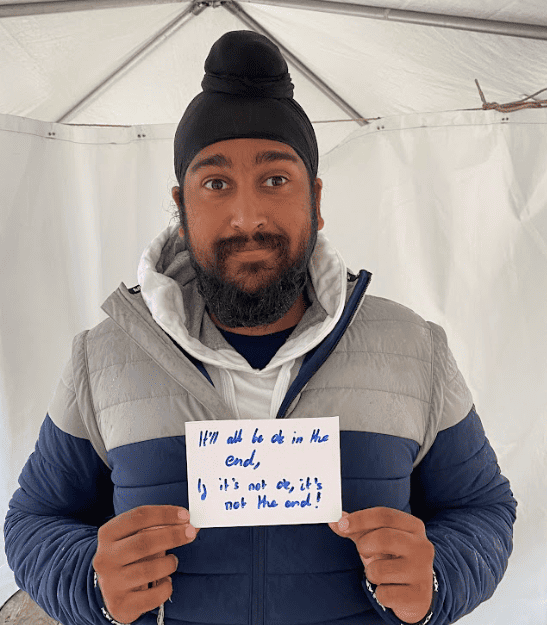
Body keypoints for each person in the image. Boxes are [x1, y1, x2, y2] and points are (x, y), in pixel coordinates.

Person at [3, 30, 517, 625]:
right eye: (216, 184)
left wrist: (439, 576)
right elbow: (33, 521)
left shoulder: (414, 349)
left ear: (315, 199)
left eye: (275, 179)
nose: (247, 217)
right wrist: (87, 580)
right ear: (182, 204)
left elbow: (482, 509)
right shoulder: (104, 356)